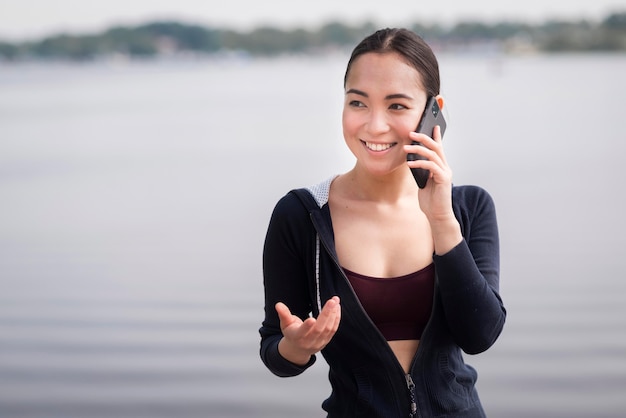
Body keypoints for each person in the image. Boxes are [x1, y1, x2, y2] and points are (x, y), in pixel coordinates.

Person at [259, 28, 506, 417]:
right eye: (358, 103)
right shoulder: (302, 215)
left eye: (396, 106)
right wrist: (298, 346)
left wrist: (441, 220)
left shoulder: (468, 207)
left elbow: (480, 335)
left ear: (432, 111)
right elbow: (275, 351)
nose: (374, 126)